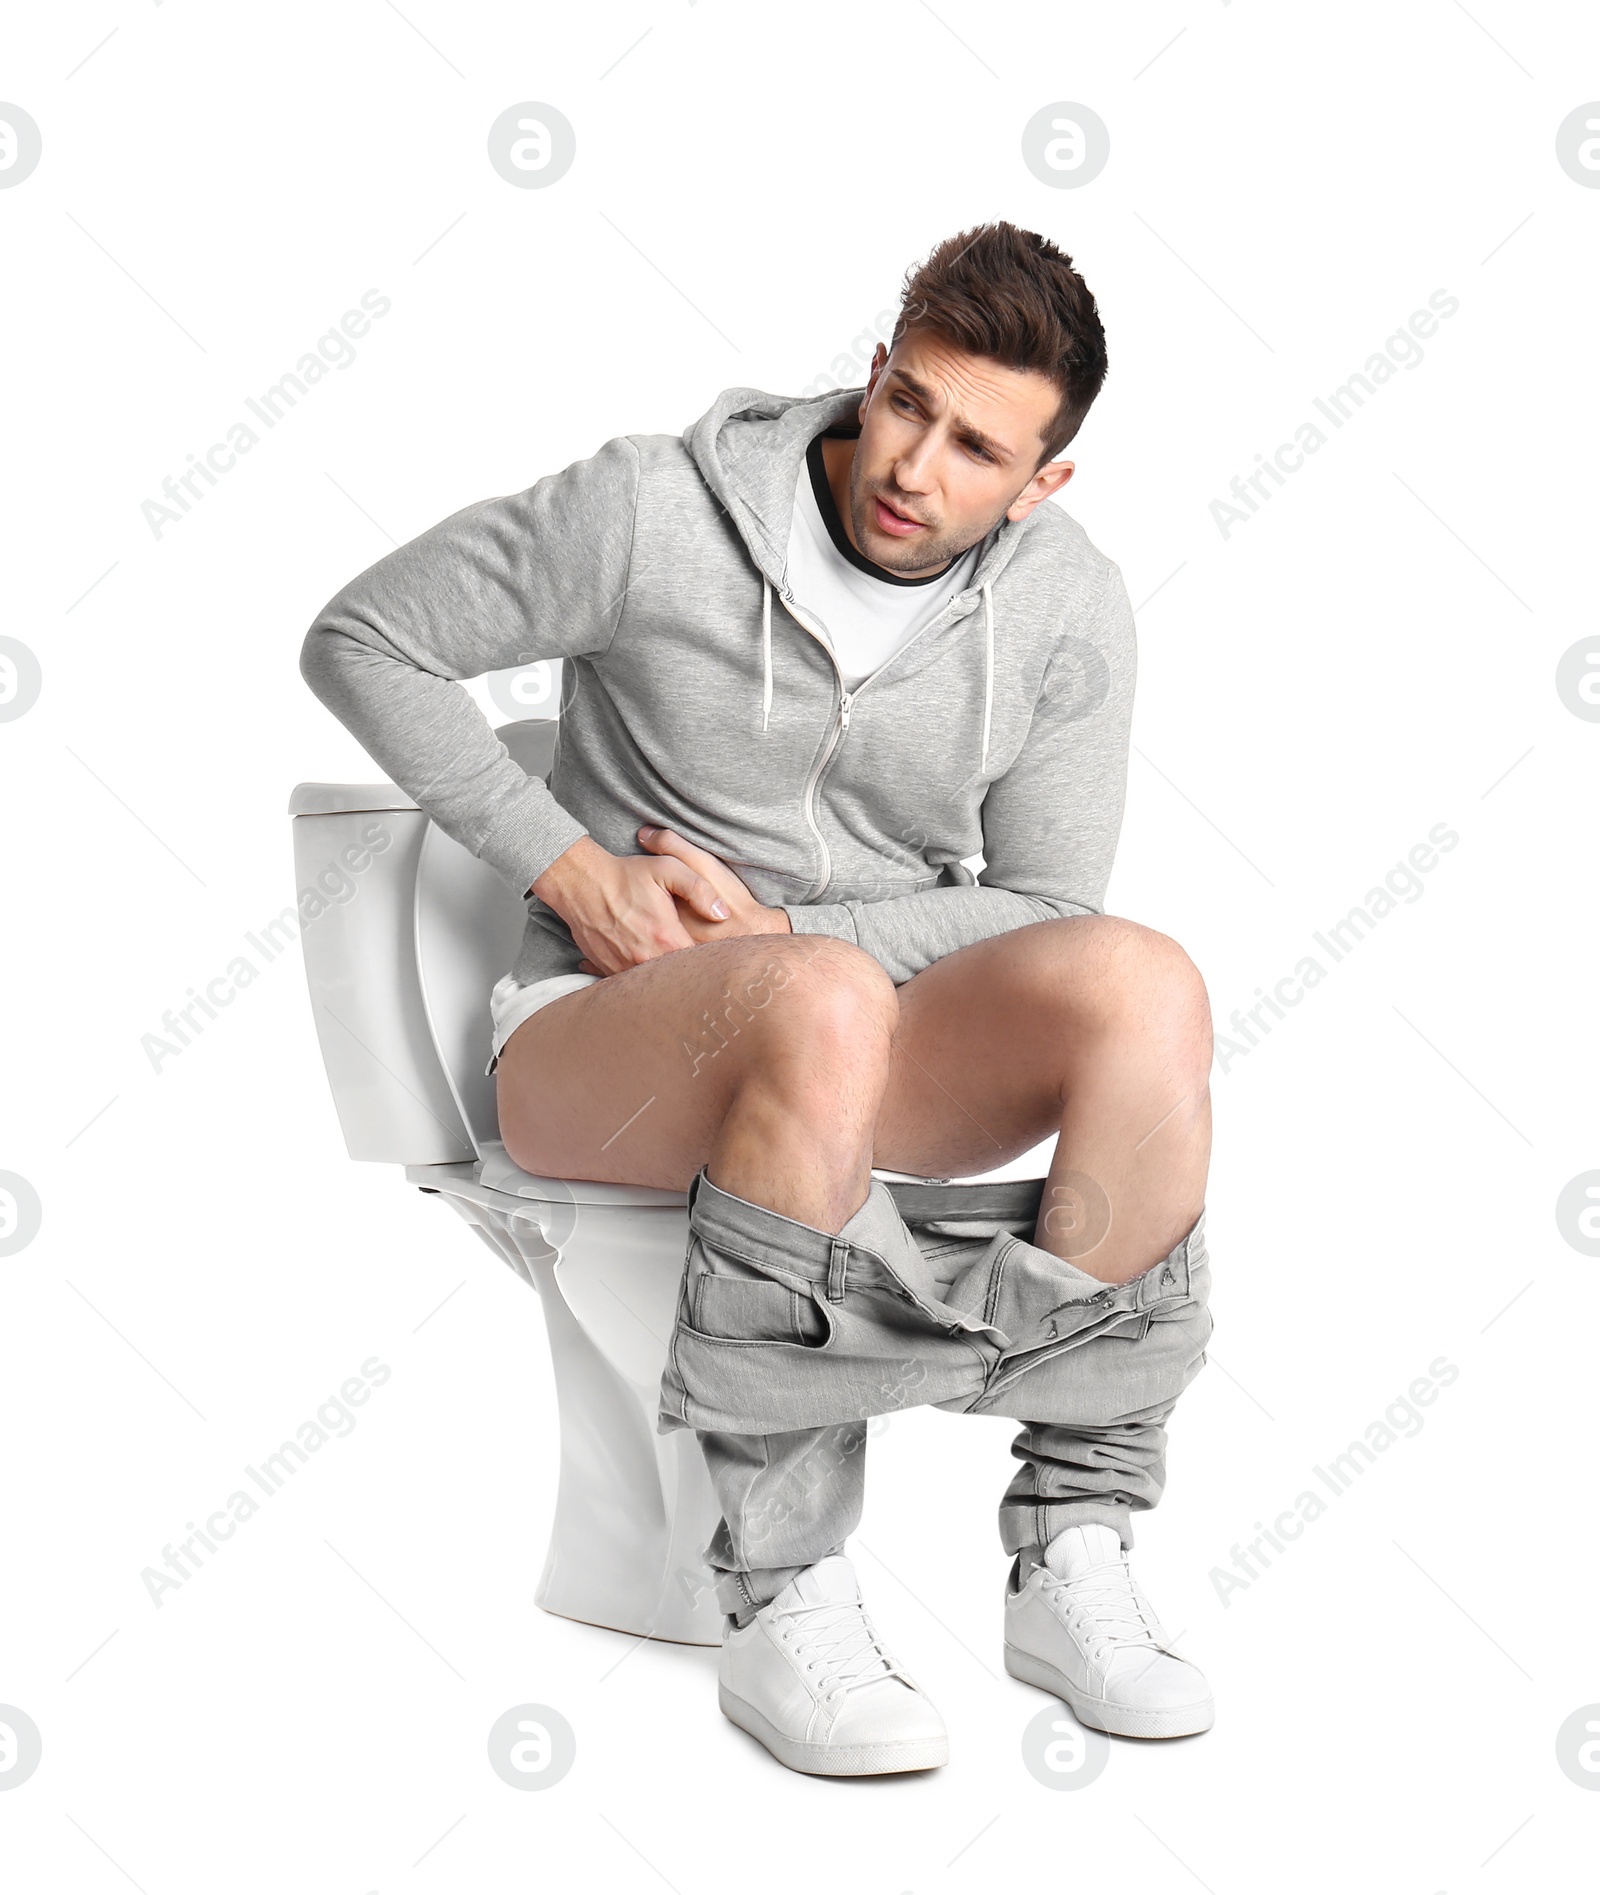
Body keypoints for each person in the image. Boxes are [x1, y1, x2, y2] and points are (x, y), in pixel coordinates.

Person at [300, 221, 1216, 1778]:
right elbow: (362, 638)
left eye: (977, 446)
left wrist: (788, 919)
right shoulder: (655, 509)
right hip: (602, 1033)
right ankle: (780, 1584)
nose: (914, 463)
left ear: (1044, 481)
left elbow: (1049, 906)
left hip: (856, 1020)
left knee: (1143, 987)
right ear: (876, 368)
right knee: (817, 1000)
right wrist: (571, 865)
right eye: (907, 401)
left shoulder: (1067, 607)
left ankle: (1077, 1545)